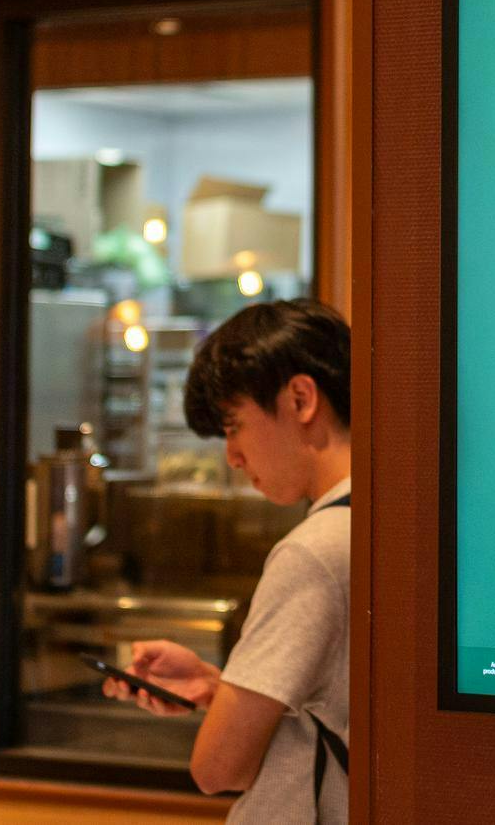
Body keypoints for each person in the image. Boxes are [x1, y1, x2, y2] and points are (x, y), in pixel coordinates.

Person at [101, 298, 351, 823]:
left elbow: (218, 769)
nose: (232, 457)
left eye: (234, 426)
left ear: (301, 398)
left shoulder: (313, 552)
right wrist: (223, 689)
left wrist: (230, 718)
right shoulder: (386, 527)